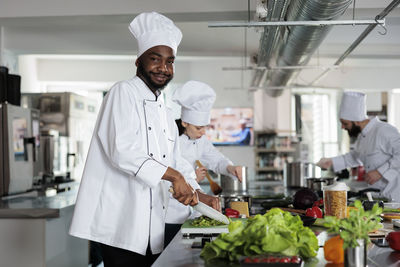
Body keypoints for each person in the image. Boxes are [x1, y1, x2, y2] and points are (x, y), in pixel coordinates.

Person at [69, 12, 208, 267]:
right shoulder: (122, 92)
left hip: (151, 224)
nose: (163, 68)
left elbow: (176, 160)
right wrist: (175, 177)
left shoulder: (165, 111)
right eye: (155, 59)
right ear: (138, 61)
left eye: (169, 62)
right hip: (121, 223)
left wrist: (199, 193)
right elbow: (122, 151)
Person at [163, 80, 244, 247]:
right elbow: (173, 171)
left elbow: (215, 158)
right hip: (167, 210)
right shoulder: (172, 141)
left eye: (205, 127)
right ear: (185, 123)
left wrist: (230, 168)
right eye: (199, 128)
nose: (203, 132)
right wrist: (194, 179)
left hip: (189, 204)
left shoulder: (201, 140)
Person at [317, 91, 400, 202]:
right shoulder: (363, 136)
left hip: (395, 196)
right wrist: (331, 161)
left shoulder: (383, 130)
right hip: (379, 196)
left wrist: (380, 172)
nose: (342, 127)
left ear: (356, 121)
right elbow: (355, 157)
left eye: (345, 123)